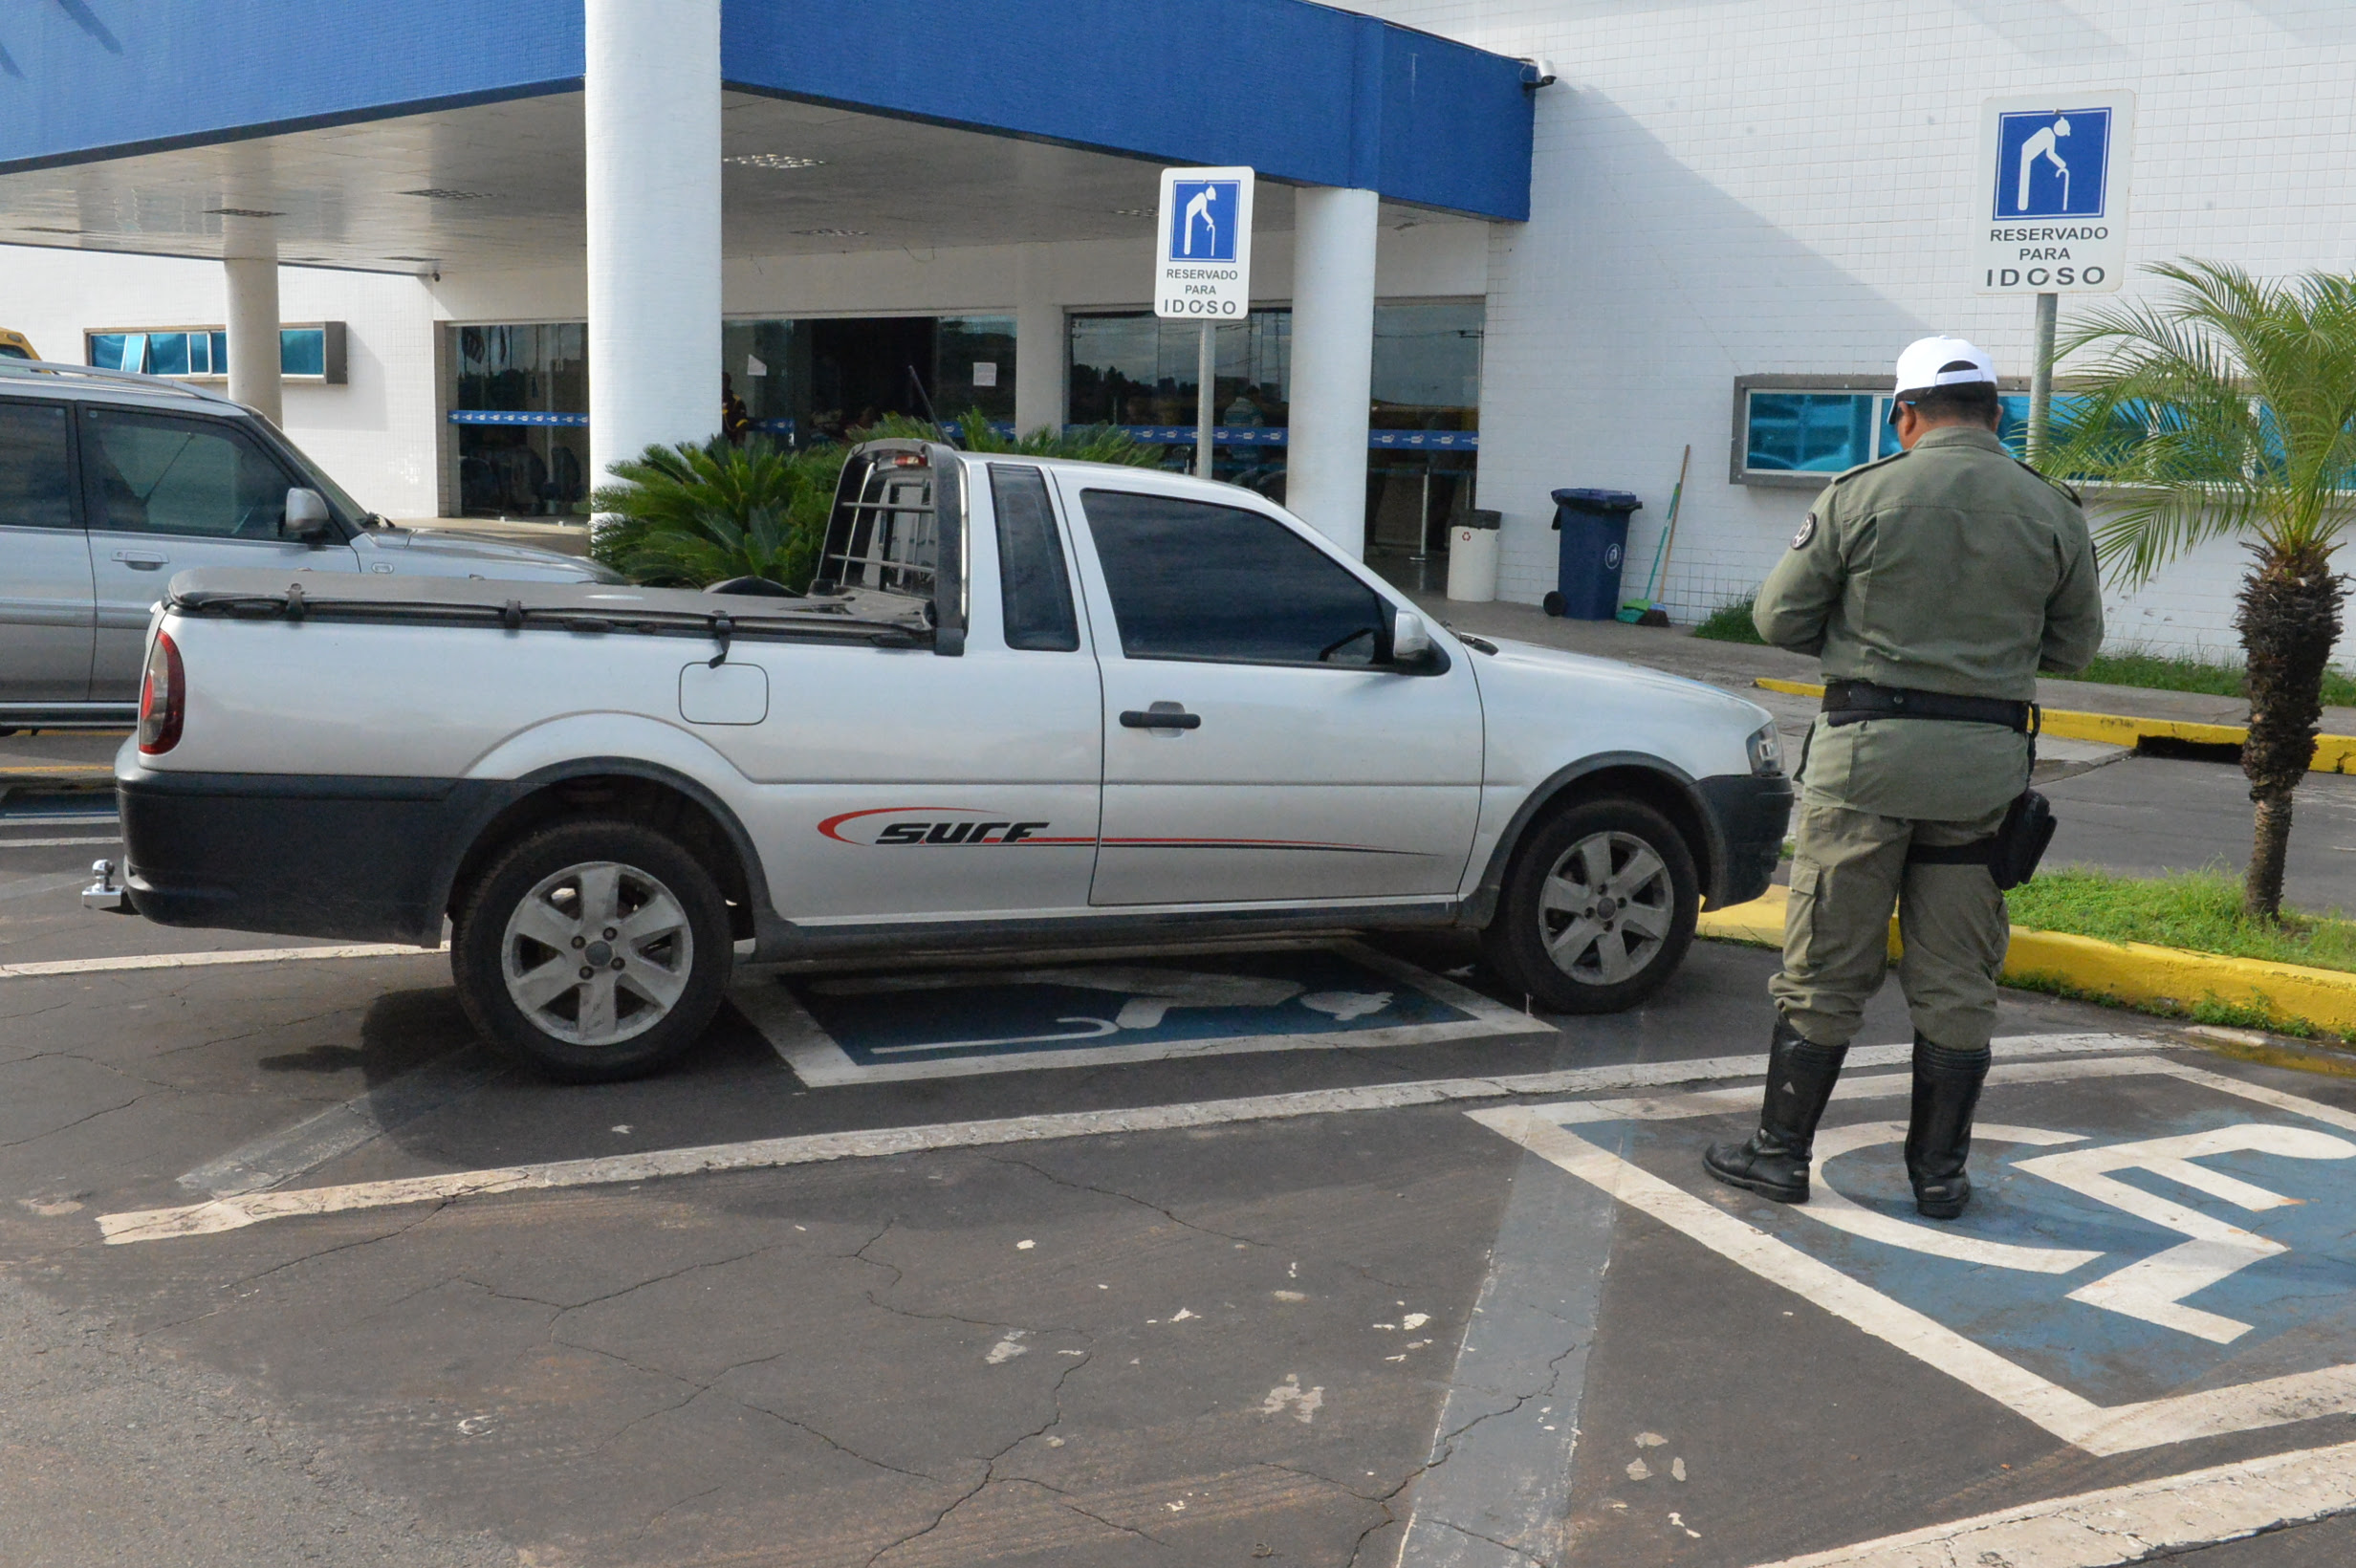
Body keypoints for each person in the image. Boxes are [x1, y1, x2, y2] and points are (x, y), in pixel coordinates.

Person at [1704, 337, 2103, 1220]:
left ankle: (1778, 1156)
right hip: (1981, 781)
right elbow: (2074, 646)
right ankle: (1939, 1179)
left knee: (1826, 968)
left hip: (1866, 767)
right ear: (1997, 416)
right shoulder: (2051, 508)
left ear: (1905, 414)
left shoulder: (1863, 493)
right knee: (1959, 977)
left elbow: (1778, 617)